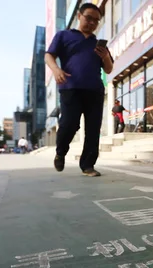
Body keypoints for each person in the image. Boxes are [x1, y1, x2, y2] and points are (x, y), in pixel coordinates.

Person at [44, 3, 113, 177]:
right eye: (89, 18)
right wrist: (56, 70)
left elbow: (109, 69)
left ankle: (88, 165)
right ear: (79, 16)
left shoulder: (98, 43)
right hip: (70, 87)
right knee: (69, 123)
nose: (92, 23)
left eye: (96, 21)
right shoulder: (64, 35)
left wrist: (105, 56)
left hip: (95, 90)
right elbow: (49, 55)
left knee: (93, 128)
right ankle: (60, 152)